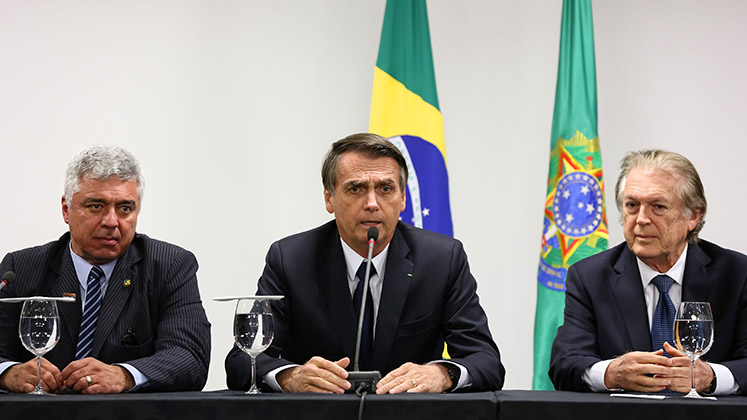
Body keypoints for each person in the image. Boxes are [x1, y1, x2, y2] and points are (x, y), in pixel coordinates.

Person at [225, 133, 504, 394]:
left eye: (385, 188)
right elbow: (242, 360)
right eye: (356, 188)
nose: (372, 203)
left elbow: (485, 360)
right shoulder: (291, 259)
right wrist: (290, 376)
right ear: (329, 198)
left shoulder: (441, 259)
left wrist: (443, 374)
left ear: (403, 198)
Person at [0, 145, 211, 394]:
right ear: (66, 210)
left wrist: (125, 375)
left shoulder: (169, 265)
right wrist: (8, 373)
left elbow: (190, 357)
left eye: (125, 208)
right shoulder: (21, 268)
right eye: (96, 206)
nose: (111, 221)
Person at [550, 149, 747, 395]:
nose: (641, 219)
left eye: (658, 206)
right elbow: (564, 364)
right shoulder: (590, 277)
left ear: (693, 216)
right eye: (632, 205)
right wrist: (612, 373)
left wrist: (712, 377)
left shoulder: (737, 274)